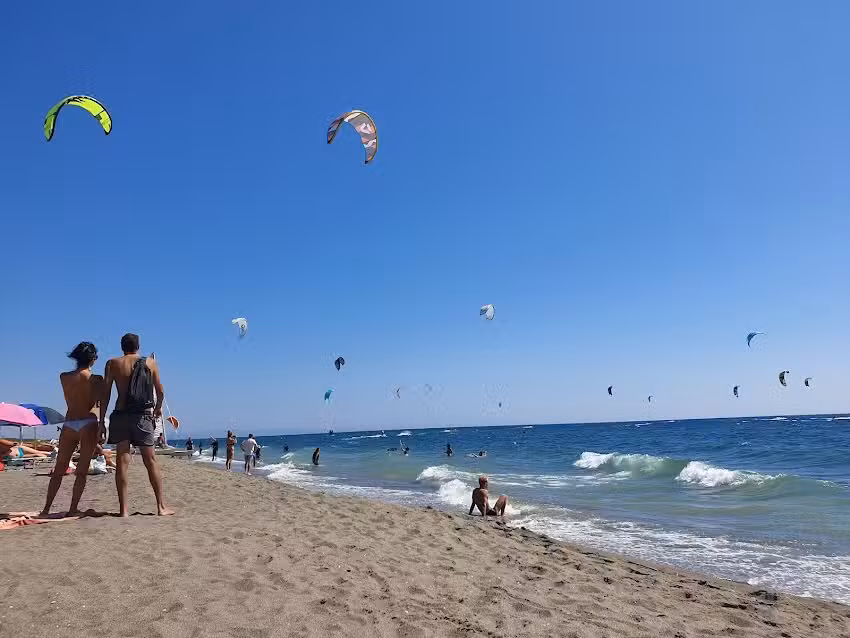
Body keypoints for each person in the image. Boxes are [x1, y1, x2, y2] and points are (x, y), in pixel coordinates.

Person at [101, 333, 174, 516]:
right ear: (138, 346)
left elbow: (106, 394)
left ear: (122, 346)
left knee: (122, 462)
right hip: (142, 416)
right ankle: (160, 507)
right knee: (150, 461)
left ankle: (123, 510)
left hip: (120, 416)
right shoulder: (150, 363)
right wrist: (157, 408)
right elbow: (161, 390)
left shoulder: (112, 364)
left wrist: (101, 420)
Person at [40, 342, 104, 517]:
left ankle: (46, 509)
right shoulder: (96, 379)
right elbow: (99, 405)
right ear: (93, 359)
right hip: (88, 422)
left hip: (69, 423)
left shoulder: (64, 377)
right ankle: (72, 509)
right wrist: (101, 425)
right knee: (81, 471)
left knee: (59, 468)